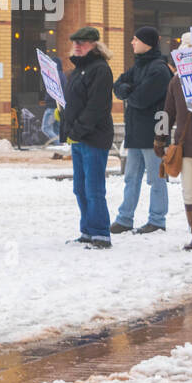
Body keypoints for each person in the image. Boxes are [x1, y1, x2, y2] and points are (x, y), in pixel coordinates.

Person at [111, 26, 172, 235]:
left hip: (154, 133)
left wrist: (128, 91)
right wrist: (126, 90)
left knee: (156, 178)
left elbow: (140, 98)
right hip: (136, 132)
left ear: (147, 43)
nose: (132, 42)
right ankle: (125, 218)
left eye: (135, 39)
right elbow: (118, 85)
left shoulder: (159, 69)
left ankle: (157, 219)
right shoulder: (137, 66)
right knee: (131, 177)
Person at [61, 27, 115, 249]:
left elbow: (96, 107)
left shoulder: (100, 69)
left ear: (94, 45)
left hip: (94, 138)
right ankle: (87, 230)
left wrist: (78, 129)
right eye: (75, 42)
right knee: (80, 187)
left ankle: (101, 233)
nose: (77, 45)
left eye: (82, 42)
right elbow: (74, 103)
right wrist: (64, 120)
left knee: (94, 188)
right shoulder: (78, 70)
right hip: (79, 137)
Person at [158, 32, 192, 250]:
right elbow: (166, 113)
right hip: (183, 144)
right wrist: (159, 138)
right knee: (189, 191)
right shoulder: (175, 81)